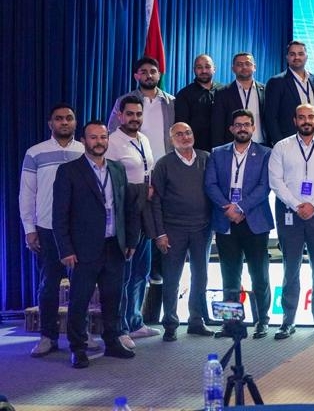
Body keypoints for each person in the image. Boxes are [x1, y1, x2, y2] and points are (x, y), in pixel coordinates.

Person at [53, 120, 141, 369]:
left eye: (103, 137)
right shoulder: (69, 171)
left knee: (113, 298)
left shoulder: (117, 168)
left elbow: (127, 207)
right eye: (93, 137)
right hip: (83, 249)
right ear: (84, 141)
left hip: (115, 245)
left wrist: (130, 240)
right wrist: (65, 249)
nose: (99, 142)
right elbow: (59, 214)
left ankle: (112, 341)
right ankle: (78, 348)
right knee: (79, 301)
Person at [268, 103, 314, 339]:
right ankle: (287, 321)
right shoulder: (281, 147)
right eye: (301, 117)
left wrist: (313, 205)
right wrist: (296, 204)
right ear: (294, 121)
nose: (306, 121)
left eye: (311, 117)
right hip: (290, 213)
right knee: (290, 268)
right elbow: (275, 181)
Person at [21, 104, 84, 358]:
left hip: (80, 230)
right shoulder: (35, 153)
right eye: (59, 119)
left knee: (82, 285)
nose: (64, 122)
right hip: (47, 229)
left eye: (69, 118)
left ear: (75, 122)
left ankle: (80, 334)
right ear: (51, 124)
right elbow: (27, 193)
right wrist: (29, 228)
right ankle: (48, 337)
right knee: (49, 285)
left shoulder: (84, 151)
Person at [205, 110, 273, 339]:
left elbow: (264, 187)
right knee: (229, 277)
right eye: (238, 124)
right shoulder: (217, 153)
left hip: (254, 221)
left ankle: (262, 321)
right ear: (231, 128)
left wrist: (241, 207)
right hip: (226, 220)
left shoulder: (265, 153)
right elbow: (210, 184)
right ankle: (230, 323)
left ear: (253, 128)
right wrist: (229, 208)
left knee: (259, 276)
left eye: (246, 124)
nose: (242, 128)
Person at [150, 122, 214, 341]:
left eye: (188, 132)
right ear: (171, 140)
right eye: (179, 134)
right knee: (171, 279)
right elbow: (155, 201)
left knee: (201, 277)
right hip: (172, 230)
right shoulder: (163, 164)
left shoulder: (206, 158)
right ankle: (170, 323)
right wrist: (160, 233)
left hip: (202, 229)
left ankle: (196, 321)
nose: (185, 137)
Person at [104, 95, 157, 347]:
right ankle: (120, 327)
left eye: (138, 114)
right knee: (123, 275)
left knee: (141, 271)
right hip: (124, 215)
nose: (135, 118)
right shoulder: (112, 142)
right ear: (119, 115)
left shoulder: (143, 139)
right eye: (130, 114)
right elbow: (111, 183)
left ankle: (135, 322)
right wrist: (140, 191)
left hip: (144, 213)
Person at [108, 56, 176, 155]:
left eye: (153, 72)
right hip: (133, 160)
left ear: (159, 75)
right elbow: (113, 131)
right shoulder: (123, 101)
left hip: (166, 161)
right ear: (136, 76)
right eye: (144, 72)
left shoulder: (171, 102)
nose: (149, 75)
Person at [262, 41, 314, 146]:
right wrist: (280, 144)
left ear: (306, 57)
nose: (296, 57)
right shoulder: (276, 82)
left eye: (300, 54)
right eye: (292, 54)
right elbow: (270, 118)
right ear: (287, 57)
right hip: (289, 143)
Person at [210, 52, 266, 146]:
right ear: (233, 69)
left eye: (248, 63)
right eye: (239, 64)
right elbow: (218, 125)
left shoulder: (266, 90)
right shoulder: (222, 93)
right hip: (234, 146)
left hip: (262, 146)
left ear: (254, 67)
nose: (244, 67)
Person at [174, 54, 221, 152]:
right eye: (199, 67)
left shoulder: (224, 91)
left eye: (207, 67)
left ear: (214, 69)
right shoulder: (184, 95)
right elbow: (182, 127)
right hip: (196, 151)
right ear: (194, 70)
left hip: (223, 149)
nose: (204, 71)